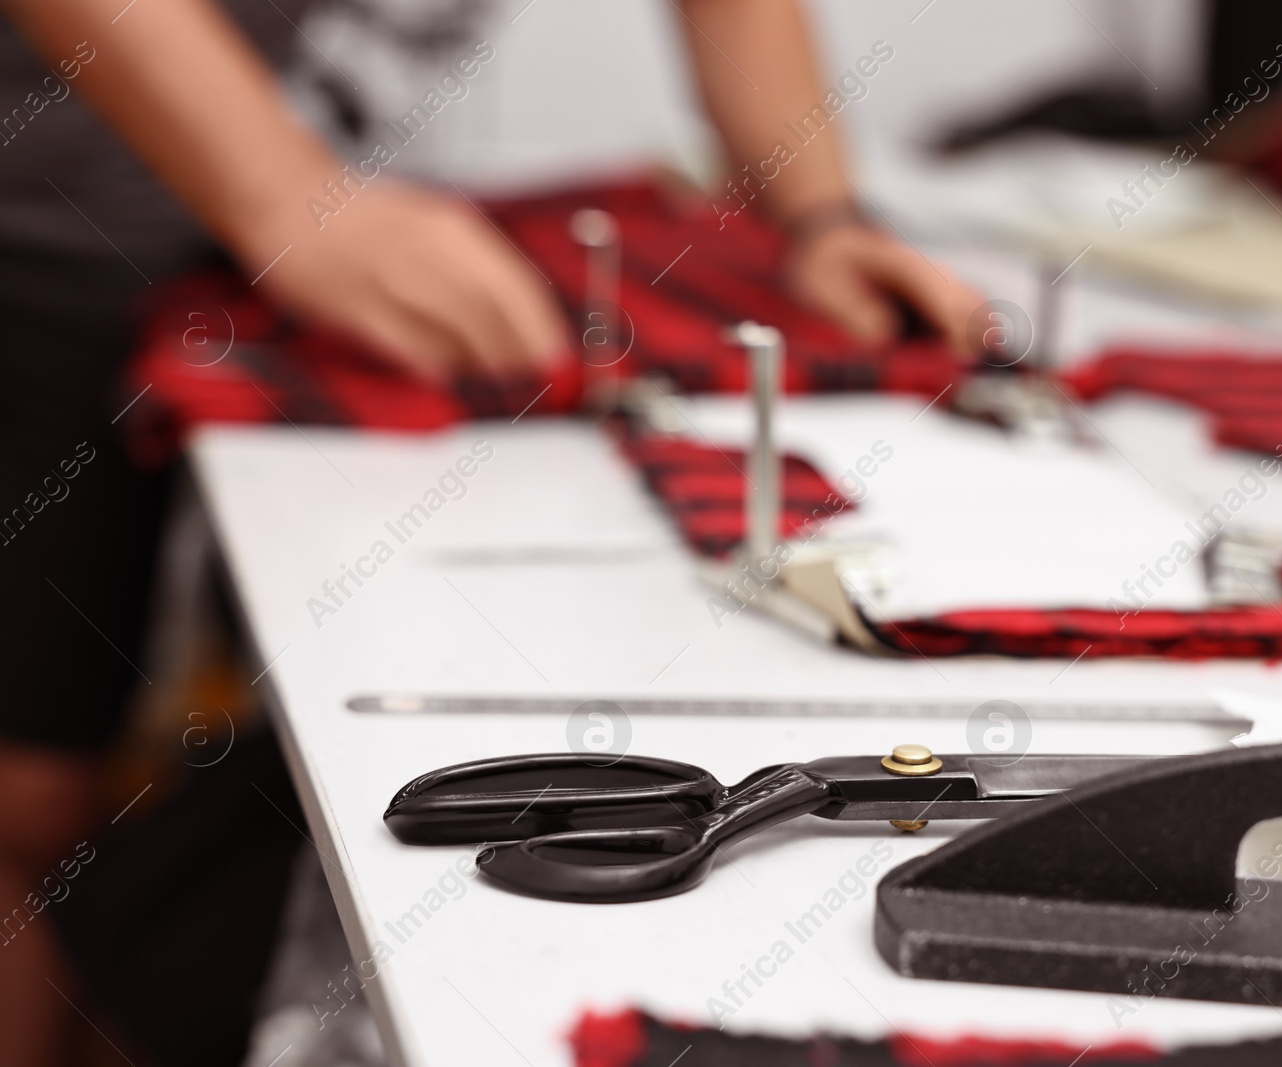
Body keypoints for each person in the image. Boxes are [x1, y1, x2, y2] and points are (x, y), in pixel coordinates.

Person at [0, 0, 985, 1063]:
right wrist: (292, 197)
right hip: (37, 226)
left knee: (62, 796)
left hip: (178, 232)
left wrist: (821, 219)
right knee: (24, 803)